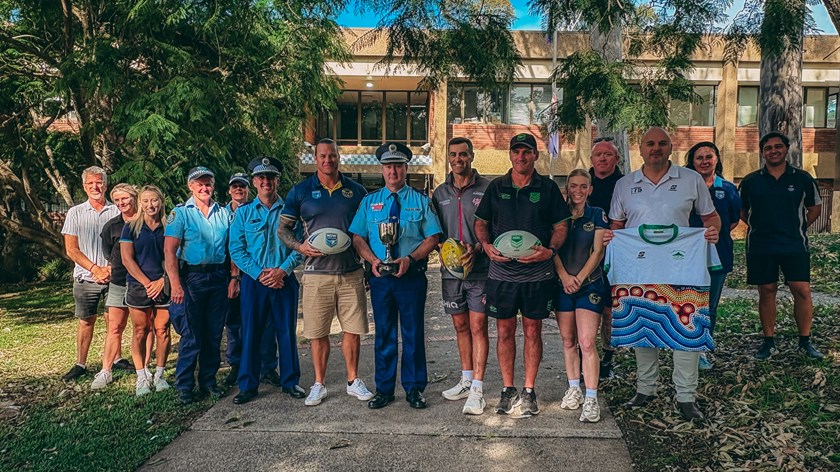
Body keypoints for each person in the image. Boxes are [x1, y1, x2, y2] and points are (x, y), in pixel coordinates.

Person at [609, 127, 720, 420]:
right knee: (642, 328)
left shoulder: (691, 179)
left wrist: (712, 231)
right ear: (641, 149)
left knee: (686, 330)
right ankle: (645, 389)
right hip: (639, 271)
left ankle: (686, 397)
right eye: (650, 144)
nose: (655, 148)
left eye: (661, 143)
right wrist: (612, 239)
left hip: (683, 270)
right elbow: (617, 225)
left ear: (670, 148)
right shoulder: (624, 184)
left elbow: (711, 217)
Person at [474, 132, 570, 417]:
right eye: (516, 151)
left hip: (537, 275)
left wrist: (550, 251)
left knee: (532, 330)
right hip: (501, 274)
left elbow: (561, 227)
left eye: (527, 151)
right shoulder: (496, 187)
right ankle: (508, 389)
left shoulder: (548, 188)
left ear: (535, 155)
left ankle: (529, 390)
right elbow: (481, 222)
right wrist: (486, 246)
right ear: (510, 155)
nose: (521, 156)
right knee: (504, 331)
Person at [279, 138, 374, 407]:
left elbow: (366, 231)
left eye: (332, 155)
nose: (327, 160)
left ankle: (353, 380)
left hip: (351, 272)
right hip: (316, 274)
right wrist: (300, 246)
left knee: (353, 329)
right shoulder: (300, 191)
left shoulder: (356, 191)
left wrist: (368, 268)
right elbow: (283, 229)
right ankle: (319, 383)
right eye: (322, 156)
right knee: (317, 332)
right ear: (315, 159)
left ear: (338, 157)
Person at [349, 142, 442, 410]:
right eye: (388, 166)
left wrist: (410, 259)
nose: (393, 171)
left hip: (411, 278)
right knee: (384, 335)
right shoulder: (369, 202)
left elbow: (433, 237)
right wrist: (373, 260)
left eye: (398, 166)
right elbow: (357, 237)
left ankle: (414, 388)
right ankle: (384, 389)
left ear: (405, 168)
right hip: (381, 278)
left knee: (413, 334)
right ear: (382, 169)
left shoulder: (421, 201)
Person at [738, 132, 824, 360]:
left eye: (778, 147)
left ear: (786, 149)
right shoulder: (750, 181)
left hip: (794, 243)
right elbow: (741, 211)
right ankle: (768, 341)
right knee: (766, 291)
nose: (773, 151)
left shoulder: (802, 178)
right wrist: (758, 225)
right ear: (762, 152)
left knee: (801, 290)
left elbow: (814, 207)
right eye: (768, 148)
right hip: (761, 245)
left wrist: (798, 226)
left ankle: (804, 341)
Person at [229, 157, 303, 405]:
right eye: (261, 177)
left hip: (284, 280)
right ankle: (248, 385)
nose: (266, 182)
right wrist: (260, 274)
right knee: (251, 332)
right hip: (255, 281)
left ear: (277, 181)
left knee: (286, 333)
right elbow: (236, 249)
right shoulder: (244, 213)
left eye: (270, 177)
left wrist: (282, 271)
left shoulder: (290, 212)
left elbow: (300, 246)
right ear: (254, 182)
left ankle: (290, 381)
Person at [431, 137, 491, 415]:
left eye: (463, 154)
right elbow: (435, 232)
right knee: (460, 326)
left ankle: (478, 388)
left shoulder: (487, 188)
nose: (458, 159)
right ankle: (466, 379)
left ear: (472, 156)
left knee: (478, 327)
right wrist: (442, 247)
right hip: (451, 273)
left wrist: (478, 247)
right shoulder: (440, 193)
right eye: (453, 154)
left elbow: (495, 227)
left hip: (480, 270)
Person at [164, 167, 232, 405]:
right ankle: (184, 385)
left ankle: (208, 380)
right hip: (192, 278)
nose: (205, 188)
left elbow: (231, 247)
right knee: (191, 334)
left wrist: (233, 278)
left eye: (208, 183)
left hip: (218, 277)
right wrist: (176, 284)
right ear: (190, 186)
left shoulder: (223, 213)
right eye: (199, 184)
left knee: (213, 333)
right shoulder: (181, 213)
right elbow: (169, 251)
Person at [555, 169, 608, 423]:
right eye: (573, 186)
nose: (578, 191)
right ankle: (574, 387)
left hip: (589, 285)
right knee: (568, 341)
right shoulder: (558, 214)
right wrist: (565, 277)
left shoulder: (597, 214)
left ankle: (591, 398)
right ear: (567, 188)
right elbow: (552, 248)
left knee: (586, 342)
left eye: (583, 186)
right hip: (563, 285)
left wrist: (580, 279)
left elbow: (598, 252)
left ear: (590, 189)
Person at [61, 166, 121, 381]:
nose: (95, 187)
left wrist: (110, 269)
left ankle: (116, 359)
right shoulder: (75, 213)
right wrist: (95, 269)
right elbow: (71, 249)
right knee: (86, 321)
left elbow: (125, 245)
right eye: (91, 183)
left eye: (99, 182)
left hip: (114, 276)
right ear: (84, 186)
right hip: (86, 277)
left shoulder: (117, 211)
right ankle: (81, 363)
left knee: (114, 320)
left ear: (106, 185)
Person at [685, 142, 741, 369]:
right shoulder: (684, 187)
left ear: (717, 159)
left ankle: (702, 349)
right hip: (686, 256)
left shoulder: (727, 189)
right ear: (692, 162)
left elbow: (733, 221)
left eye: (709, 156)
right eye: (699, 157)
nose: (704, 161)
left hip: (719, 253)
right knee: (687, 301)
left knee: (710, 306)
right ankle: (685, 345)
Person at [223, 173, 279, 387]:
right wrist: (233, 277)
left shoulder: (255, 210)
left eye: (242, 186)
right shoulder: (221, 214)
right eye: (235, 186)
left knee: (266, 324)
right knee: (235, 324)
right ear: (229, 190)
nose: (238, 189)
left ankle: (267, 367)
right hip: (231, 276)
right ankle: (237, 366)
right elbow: (233, 248)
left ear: (249, 188)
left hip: (250, 275)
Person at [91, 184, 145, 390]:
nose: (121, 203)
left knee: (142, 328)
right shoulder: (112, 226)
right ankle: (106, 370)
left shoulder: (146, 221)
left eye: (125, 198)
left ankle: (143, 369)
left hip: (143, 282)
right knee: (115, 327)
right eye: (117, 200)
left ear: (134, 197)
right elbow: (108, 252)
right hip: (119, 282)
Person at [120, 186, 172, 396]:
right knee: (141, 330)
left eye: (154, 200)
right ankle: (141, 375)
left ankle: (159, 374)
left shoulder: (169, 226)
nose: (151, 205)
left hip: (164, 284)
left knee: (162, 330)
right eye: (146, 201)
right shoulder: (131, 227)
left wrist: (162, 281)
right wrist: (147, 283)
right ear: (140, 203)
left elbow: (173, 256)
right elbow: (127, 259)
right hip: (138, 286)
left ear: (161, 201)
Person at [589, 138, 624, 380]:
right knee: (587, 310)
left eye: (608, 154)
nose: (602, 158)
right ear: (591, 159)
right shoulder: (582, 183)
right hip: (585, 257)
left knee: (609, 311)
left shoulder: (625, 185)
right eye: (598, 155)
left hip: (615, 255)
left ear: (617, 159)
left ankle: (608, 358)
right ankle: (586, 356)